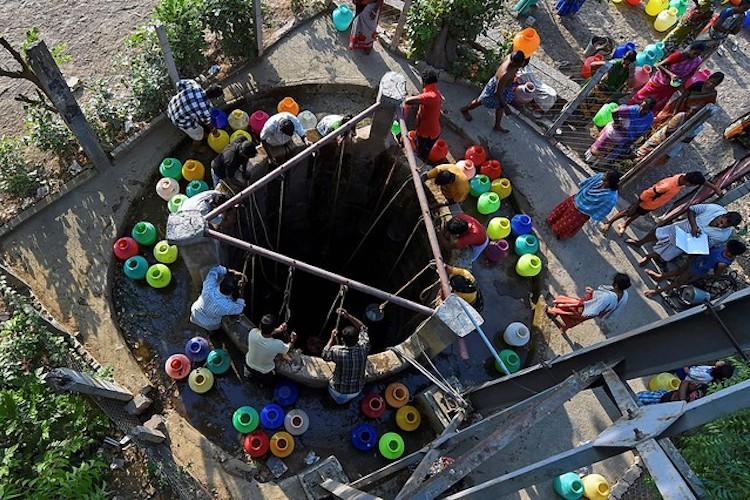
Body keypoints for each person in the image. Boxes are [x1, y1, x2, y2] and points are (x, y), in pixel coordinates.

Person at [601, 172, 720, 236]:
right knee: (628, 212)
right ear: (688, 182)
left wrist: (714, 188)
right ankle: (609, 222)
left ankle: (625, 225)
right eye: (692, 185)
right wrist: (637, 204)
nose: (690, 187)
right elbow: (648, 193)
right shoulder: (668, 185)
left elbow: (702, 181)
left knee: (637, 215)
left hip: (651, 205)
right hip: (645, 201)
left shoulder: (683, 177)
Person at [629, 203, 742, 265]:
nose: (720, 226)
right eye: (721, 222)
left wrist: (696, 242)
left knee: (667, 251)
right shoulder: (714, 208)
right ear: (723, 215)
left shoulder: (724, 235)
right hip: (684, 226)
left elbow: (707, 244)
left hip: (690, 241)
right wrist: (693, 226)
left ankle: (648, 256)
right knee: (659, 232)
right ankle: (640, 242)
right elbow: (691, 210)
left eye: (725, 226)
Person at [644, 239, 746, 297]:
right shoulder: (724, 248)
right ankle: (660, 277)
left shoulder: (723, 263)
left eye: (727, 247)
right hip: (697, 260)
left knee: (679, 281)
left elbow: (716, 274)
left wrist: (707, 274)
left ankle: (658, 291)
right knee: (678, 271)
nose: (725, 246)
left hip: (697, 270)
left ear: (730, 251)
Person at [461, 50, 527, 133]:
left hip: (502, 87)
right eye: (521, 63)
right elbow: (497, 92)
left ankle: (497, 126)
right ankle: (464, 110)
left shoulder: (510, 58)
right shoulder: (505, 74)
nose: (523, 63)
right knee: (481, 100)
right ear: (515, 64)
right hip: (496, 90)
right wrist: (506, 106)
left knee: (500, 107)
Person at [629, 42, 705, 114]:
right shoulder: (678, 56)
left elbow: (690, 74)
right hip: (660, 81)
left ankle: (645, 116)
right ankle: (629, 108)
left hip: (672, 86)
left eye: (698, 54)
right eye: (694, 53)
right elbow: (659, 65)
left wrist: (682, 81)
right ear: (690, 49)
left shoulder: (697, 61)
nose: (695, 56)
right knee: (642, 96)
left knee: (658, 103)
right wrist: (671, 75)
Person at [547, 171, 621, 240]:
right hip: (578, 198)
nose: (602, 177)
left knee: (568, 222)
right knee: (563, 210)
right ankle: (551, 220)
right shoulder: (600, 176)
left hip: (584, 211)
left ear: (609, 183)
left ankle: (559, 233)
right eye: (604, 175)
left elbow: (603, 209)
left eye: (605, 179)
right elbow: (589, 181)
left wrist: (594, 215)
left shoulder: (611, 197)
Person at [546, 273, 631, 333]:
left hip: (586, 308)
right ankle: (564, 328)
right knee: (575, 320)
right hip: (593, 310)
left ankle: (554, 312)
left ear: (616, 285)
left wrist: (582, 307)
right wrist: (593, 292)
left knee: (567, 307)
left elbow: (597, 304)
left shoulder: (607, 297)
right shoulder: (624, 295)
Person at [321, 308, 370, 404]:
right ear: (358, 338)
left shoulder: (337, 351)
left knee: (334, 397)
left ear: (342, 340)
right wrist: (348, 316)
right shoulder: (364, 347)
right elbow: (363, 328)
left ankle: (332, 402)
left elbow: (324, 355)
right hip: (357, 390)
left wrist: (331, 339)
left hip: (337, 390)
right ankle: (343, 403)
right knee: (344, 400)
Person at [586, 99, 656, 163]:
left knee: (610, 153)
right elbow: (614, 111)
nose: (641, 109)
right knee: (599, 147)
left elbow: (643, 131)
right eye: (642, 106)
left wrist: (633, 140)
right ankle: (588, 159)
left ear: (649, 110)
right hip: (614, 132)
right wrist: (617, 123)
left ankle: (597, 165)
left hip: (625, 139)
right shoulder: (633, 109)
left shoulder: (649, 118)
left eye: (645, 108)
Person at [652, 72, 724, 130]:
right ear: (708, 79)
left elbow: (707, 108)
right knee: (662, 118)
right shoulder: (698, 84)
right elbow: (684, 95)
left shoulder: (712, 95)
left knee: (672, 127)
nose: (711, 84)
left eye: (714, 84)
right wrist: (675, 111)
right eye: (711, 81)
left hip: (689, 114)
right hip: (679, 105)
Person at [190, 265, 246, 332]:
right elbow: (240, 308)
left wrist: (230, 271)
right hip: (209, 324)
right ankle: (211, 333)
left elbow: (213, 271)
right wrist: (241, 291)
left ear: (221, 282)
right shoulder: (227, 307)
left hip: (195, 313)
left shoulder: (209, 286)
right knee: (215, 328)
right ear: (232, 292)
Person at [245, 314, 297, 385]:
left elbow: (264, 332)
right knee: (269, 382)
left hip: (249, 364)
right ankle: (263, 385)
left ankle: (252, 378)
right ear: (273, 329)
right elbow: (287, 348)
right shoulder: (277, 344)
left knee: (254, 375)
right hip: (264, 371)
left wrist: (280, 329)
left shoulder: (252, 332)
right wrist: (292, 340)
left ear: (260, 325)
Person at [403, 70, 443, 160]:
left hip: (428, 135)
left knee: (422, 153)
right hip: (428, 131)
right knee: (419, 146)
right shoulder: (435, 92)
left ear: (423, 82)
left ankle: (421, 162)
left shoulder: (430, 96)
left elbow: (408, 101)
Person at [581, 51, 637, 117]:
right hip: (601, 88)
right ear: (623, 56)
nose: (625, 63)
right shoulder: (614, 63)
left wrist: (631, 73)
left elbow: (631, 85)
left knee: (593, 110)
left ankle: (582, 119)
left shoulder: (630, 71)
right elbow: (593, 64)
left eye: (628, 63)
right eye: (624, 60)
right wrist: (595, 77)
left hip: (608, 94)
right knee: (584, 103)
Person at [637, 379, 708, 405]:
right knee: (637, 399)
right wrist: (683, 401)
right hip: (660, 397)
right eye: (697, 394)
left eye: (697, 398)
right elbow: (684, 382)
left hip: (661, 406)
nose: (695, 396)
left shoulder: (690, 403)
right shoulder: (689, 389)